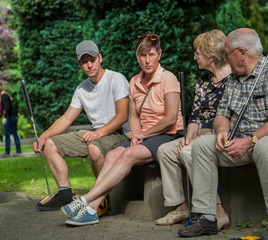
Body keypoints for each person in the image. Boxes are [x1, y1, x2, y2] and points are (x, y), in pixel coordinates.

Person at [178, 28, 268, 239]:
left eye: (227, 53)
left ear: (242, 53)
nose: (225, 57)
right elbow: (221, 115)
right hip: (245, 141)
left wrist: (249, 141)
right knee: (201, 146)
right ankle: (208, 218)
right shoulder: (234, 79)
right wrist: (221, 131)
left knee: (265, 146)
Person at [60, 33, 184, 226]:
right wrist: (134, 135)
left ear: (159, 54)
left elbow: (170, 118)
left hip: (167, 135)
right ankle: (92, 210)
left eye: (151, 54)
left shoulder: (169, 78)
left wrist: (143, 134)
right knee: (110, 156)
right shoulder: (135, 81)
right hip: (143, 136)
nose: (147, 60)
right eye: (142, 56)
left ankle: (86, 200)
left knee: (127, 156)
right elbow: (133, 116)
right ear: (137, 57)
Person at [33, 40, 130, 213]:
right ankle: (64, 193)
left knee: (94, 148)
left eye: (92, 59)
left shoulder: (116, 79)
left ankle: (102, 198)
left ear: (100, 58)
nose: (89, 65)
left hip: (118, 133)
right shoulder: (81, 89)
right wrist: (42, 137)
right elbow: (65, 119)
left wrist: (98, 133)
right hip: (97, 133)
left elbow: (122, 116)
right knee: (50, 144)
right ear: (79, 64)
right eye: (84, 62)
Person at [156, 30, 231, 231]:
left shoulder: (234, 80)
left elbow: (232, 118)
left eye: (197, 52)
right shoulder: (203, 81)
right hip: (200, 132)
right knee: (166, 150)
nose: (194, 56)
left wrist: (200, 140)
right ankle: (180, 206)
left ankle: (217, 211)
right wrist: (188, 137)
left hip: (222, 134)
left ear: (210, 55)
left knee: (191, 152)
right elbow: (195, 115)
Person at [0, 84, 22, 156]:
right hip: (12, 116)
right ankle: (15, 151)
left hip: (11, 117)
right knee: (12, 133)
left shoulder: (4, 96)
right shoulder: (3, 96)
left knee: (10, 134)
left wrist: (5, 117)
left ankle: (9, 152)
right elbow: (2, 111)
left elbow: (7, 107)